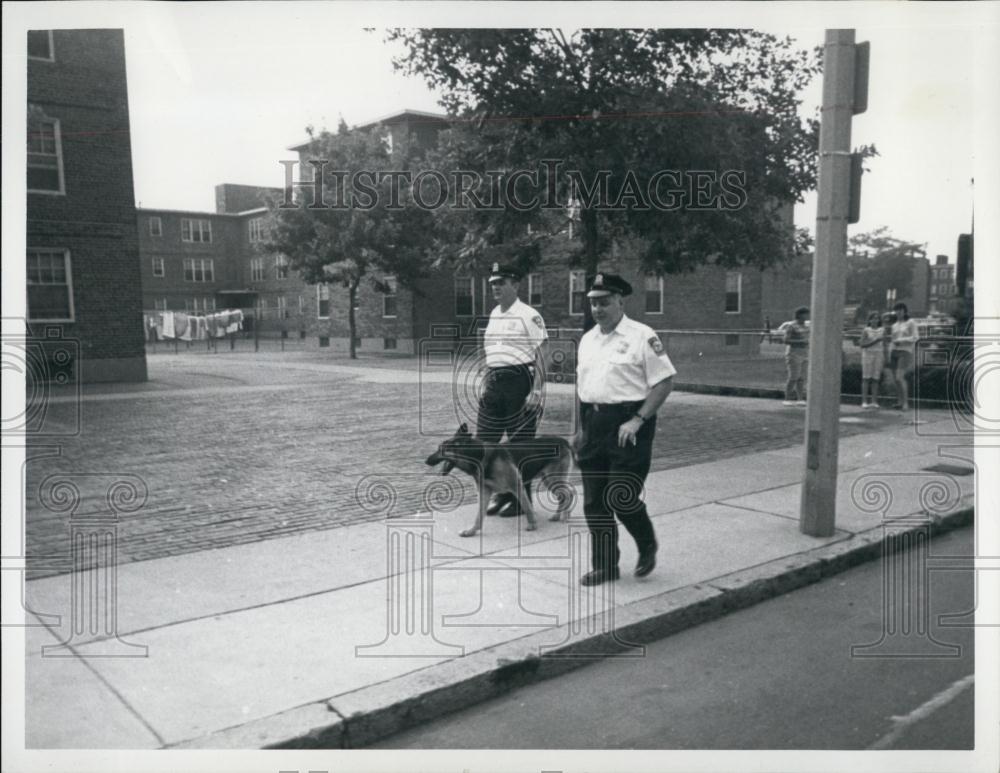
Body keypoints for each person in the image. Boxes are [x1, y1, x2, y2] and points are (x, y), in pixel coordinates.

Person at [575, 272, 676, 586]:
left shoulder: (642, 336)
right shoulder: (588, 339)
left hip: (628, 426)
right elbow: (583, 388)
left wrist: (638, 419)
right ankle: (605, 566)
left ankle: (646, 544)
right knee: (594, 502)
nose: (598, 309)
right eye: (593, 303)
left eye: (604, 302)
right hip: (593, 424)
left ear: (620, 301)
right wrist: (579, 429)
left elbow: (664, 382)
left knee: (621, 495)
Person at [477, 262, 548, 515]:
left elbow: (543, 352)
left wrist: (537, 390)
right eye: (493, 284)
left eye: (501, 283)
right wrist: (487, 379)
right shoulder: (494, 314)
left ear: (515, 285)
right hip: (495, 383)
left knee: (519, 445)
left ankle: (520, 501)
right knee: (485, 443)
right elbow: (491, 350)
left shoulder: (529, 315)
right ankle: (501, 493)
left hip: (520, 382)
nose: (496, 287)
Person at [889, 301, 918, 410]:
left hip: (905, 351)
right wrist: (890, 351)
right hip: (894, 352)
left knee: (900, 377)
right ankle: (899, 402)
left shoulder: (911, 322)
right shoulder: (894, 325)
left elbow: (915, 337)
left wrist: (901, 340)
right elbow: (892, 339)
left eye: (900, 310)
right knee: (895, 379)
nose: (898, 312)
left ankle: (906, 403)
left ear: (905, 311)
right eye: (896, 310)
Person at [782, 306, 810, 407]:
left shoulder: (807, 326)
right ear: (800, 315)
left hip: (805, 353)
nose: (807, 316)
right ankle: (787, 398)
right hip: (793, 353)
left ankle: (800, 399)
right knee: (793, 376)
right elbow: (786, 340)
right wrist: (800, 341)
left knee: (801, 377)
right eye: (805, 314)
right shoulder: (791, 326)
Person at [858, 311, 885, 409]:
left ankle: (874, 401)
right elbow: (862, 344)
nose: (875, 320)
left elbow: (885, 344)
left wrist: (886, 357)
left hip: (879, 354)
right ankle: (864, 401)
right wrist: (875, 341)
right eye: (873, 318)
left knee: (875, 378)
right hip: (868, 354)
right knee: (866, 378)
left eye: (877, 318)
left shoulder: (882, 330)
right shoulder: (866, 330)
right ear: (869, 320)